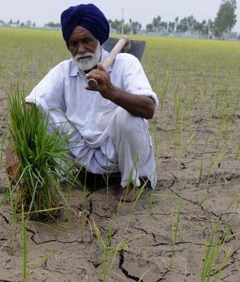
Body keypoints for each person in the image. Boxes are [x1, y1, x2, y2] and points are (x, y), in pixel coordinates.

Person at [18, 3, 158, 202]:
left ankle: (130, 182)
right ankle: (64, 175)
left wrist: (111, 92)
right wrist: (17, 149)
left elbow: (148, 108)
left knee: (128, 117)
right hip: (81, 152)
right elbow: (31, 105)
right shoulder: (63, 71)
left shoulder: (126, 63)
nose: (81, 49)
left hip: (116, 151)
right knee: (41, 113)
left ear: (99, 39)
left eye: (86, 40)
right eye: (73, 43)